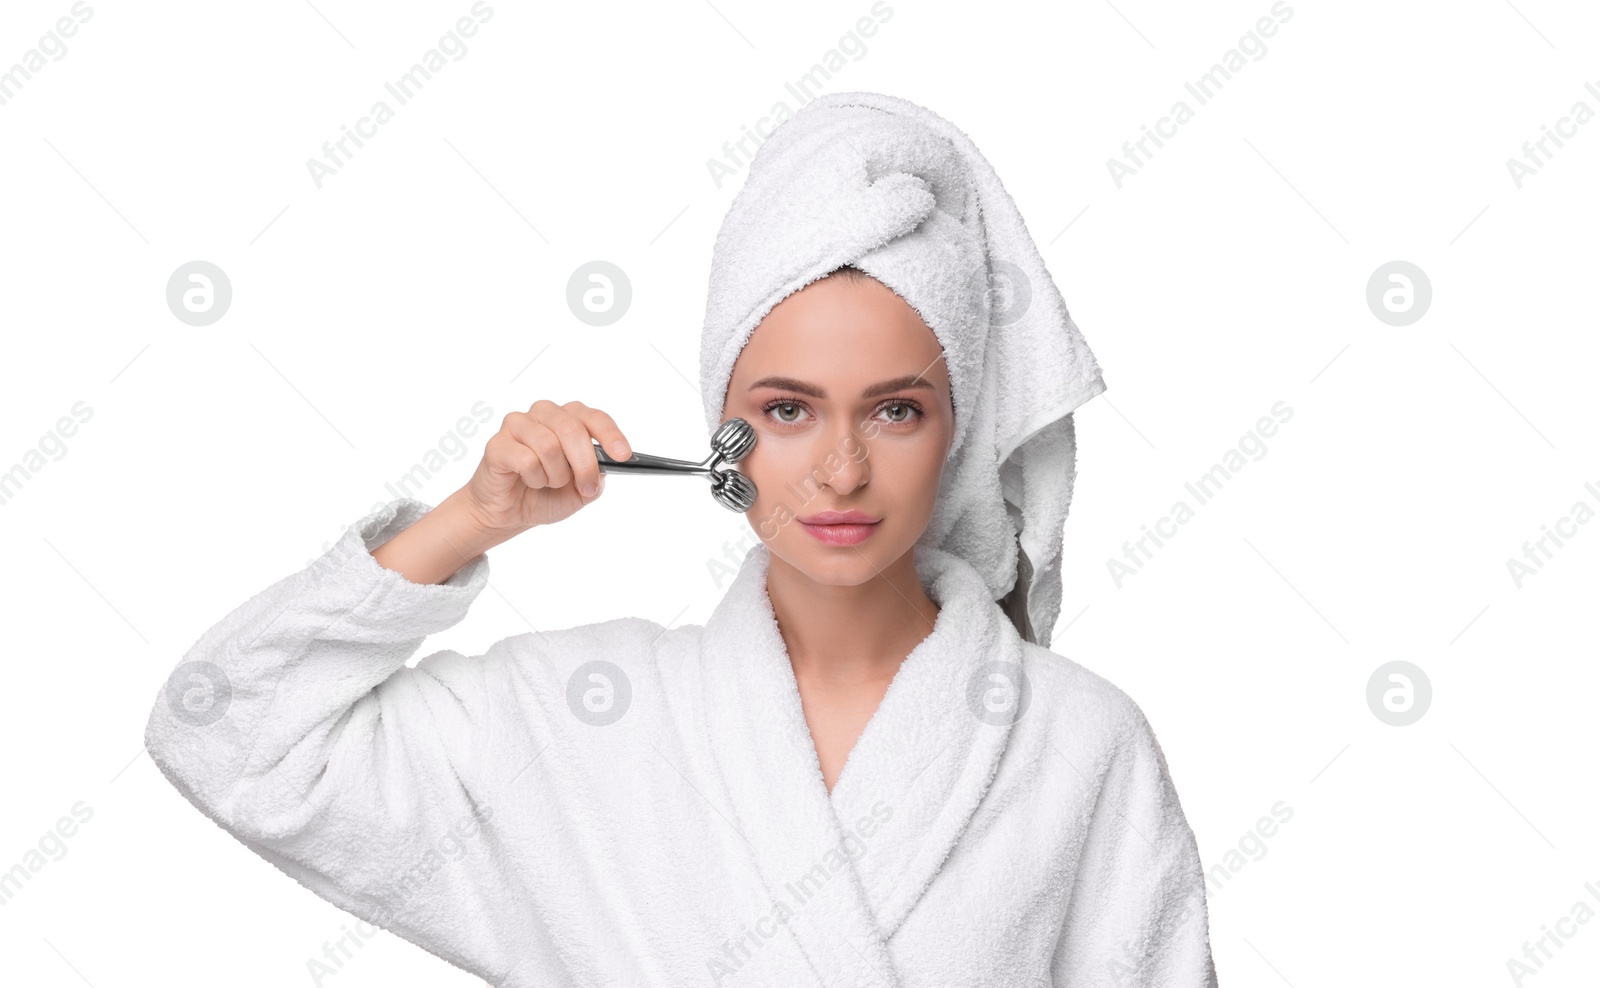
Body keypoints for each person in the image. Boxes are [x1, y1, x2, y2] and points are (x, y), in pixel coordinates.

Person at [145, 93, 1218, 987]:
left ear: (958, 430)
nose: (840, 471)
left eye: (895, 410)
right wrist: (471, 519)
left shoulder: (1082, 746)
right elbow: (228, 732)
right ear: (722, 437)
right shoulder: (585, 723)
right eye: (787, 410)